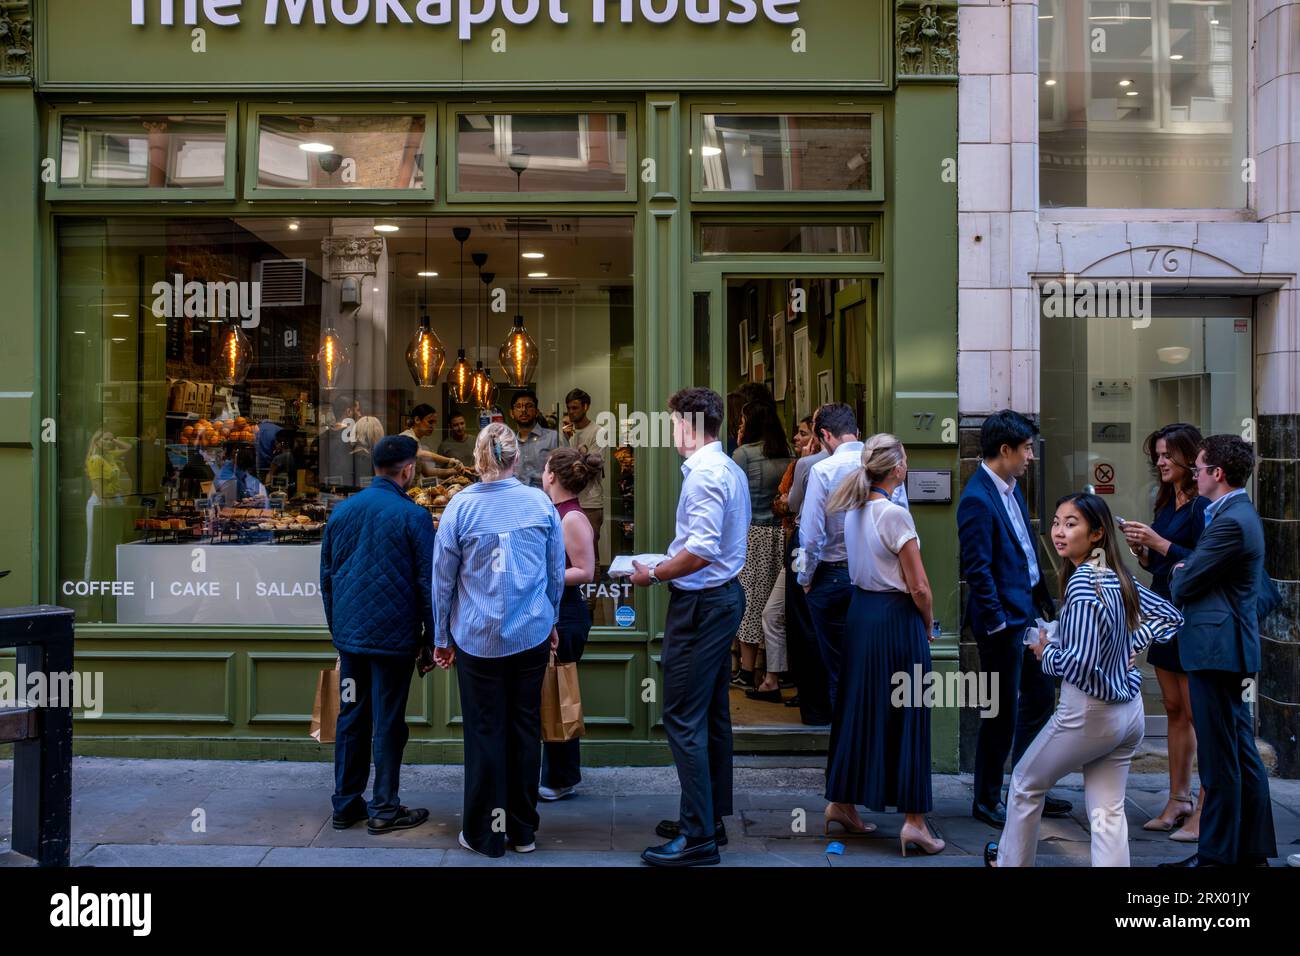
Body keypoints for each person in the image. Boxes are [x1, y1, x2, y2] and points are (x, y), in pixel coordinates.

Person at [986, 493, 1183, 867]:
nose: (1059, 532)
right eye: (1057, 522)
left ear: (1095, 534)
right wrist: (1131, 644)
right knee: (1107, 814)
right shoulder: (1116, 576)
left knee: (1026, 785)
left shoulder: (1081, 584)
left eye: (1071, 524)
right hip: (1129, 714)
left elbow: (1079, 665)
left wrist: (1046, 654)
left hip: (1088, 713)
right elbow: (1171, 616)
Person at [431, 422, 565, 858]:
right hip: (529, 634)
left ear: (477, 458)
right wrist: (552, 619)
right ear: (517, 458)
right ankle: (523, 831)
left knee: (485, 732)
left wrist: (440, 637)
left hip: (477, 638)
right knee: (525, 730)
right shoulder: (540, 503)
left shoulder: (460, 508)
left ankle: (486, 833)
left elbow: (442, 583)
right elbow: (554, 573)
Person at [630, 387, 749, 867]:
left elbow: (700, 552)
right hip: (719, 599)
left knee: (682, 716)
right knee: (712, 713)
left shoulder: (704, 475)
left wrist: (653, 573)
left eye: (673, 422)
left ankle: (699, 836)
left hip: (701, 606)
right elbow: (705, 547)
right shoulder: (727, 468)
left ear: (688, 426)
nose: (670, 431)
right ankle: (709, 817)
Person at [1161, 435, 1279, 868]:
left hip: (1217, 650)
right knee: (1242, 756)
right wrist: (1186, 568)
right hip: (1225, 648)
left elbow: (1186, 582)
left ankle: (1214, 858)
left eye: (1200, 468)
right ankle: (1251, 853)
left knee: (1219, 760)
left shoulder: (1230, 519)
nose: (1195, 475)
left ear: (1218, 474)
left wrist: (1178, 569)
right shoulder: (1233, 513)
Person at [823, 434, 945, 855]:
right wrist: (929, 624)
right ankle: (915, 822)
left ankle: (842, 803)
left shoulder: (855, 510)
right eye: (905, 459)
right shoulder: (895, 515)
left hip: (861, 617)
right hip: (895, 620)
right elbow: (921, 586)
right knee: (910, 713)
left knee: (859, 710)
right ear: (896, 468)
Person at [957, 409, 1071, 828]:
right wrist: (1000, 622)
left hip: (1028, 615)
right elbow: (978, 569)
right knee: (1001, 712)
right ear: (1004, 450)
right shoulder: (976, 498)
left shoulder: (1012, 489)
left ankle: (1028, 787)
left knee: (1041, 698)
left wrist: (1042, 600)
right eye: (1026, 450)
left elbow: (1024, 550)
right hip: (1003, 624)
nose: (1031, 457)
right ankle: (987, 799)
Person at [320, 435, 435, 835]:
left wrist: (340, 632)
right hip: (393, 640)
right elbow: (427, 584)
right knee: (388, 721)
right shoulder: (414, 516)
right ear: (407, 470)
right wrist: (432, 639)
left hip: (353, 639)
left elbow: (327, 577)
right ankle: (384, 808)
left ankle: (346, 804)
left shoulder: (342, 512)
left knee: (351, 717)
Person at [1121, 423, 1208, 840]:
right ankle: (1178, 797)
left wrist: (1157, 542)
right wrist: (1144, 550)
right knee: (1174, 707)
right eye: (1156, 456)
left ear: (1188, 458)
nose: (1159, 463)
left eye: (1165, 456)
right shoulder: (1166, 501)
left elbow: (1202, 562)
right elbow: (1162, 566)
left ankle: (1206, 806)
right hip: (1163, 610)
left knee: (1197, 712)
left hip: (1191, 614)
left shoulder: (1204, 506)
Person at [798, 404, 905, 707]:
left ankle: (845, 749)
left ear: (825, 436)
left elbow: (811, 535)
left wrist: (805, 578)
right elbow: (902, 524)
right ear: (857, 433)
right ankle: (871, 748)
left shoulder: (822, 470)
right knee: (876, 671)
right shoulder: (884, 465)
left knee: (839, 673)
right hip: (879, 581)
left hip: (832, 576)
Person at [538, 446, 604, 801]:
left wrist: (542, 576)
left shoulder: (571, 517)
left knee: (558, 692)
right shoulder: (556, 511)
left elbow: (586, 571)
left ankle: (560, 778)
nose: (542, 473)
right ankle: (554, 775)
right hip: (556, 612)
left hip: (567, 615)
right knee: (550, 693)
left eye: (546, 468)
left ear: (552, 476)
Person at [732, 401, 794, 697]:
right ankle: (774, 668)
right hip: (780, 534)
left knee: (750, 601)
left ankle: (746, 671)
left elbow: (734, 497)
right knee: (775, 604)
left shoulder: (743, 454)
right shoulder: (788, 454)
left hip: (752, 534)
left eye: (743, 420)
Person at [783, 416, 832, 725]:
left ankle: (813, 706)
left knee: (802, 623)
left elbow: (793, 505)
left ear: (819, 433)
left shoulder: (808, 465)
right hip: (842, 555)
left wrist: (803, 577)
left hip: (805, 546)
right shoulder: (863, 460)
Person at [561, 388, 607, 550]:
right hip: (568, 499)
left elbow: (592, 466)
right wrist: (567, 440)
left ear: (586, 407)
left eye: (575, 408)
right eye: (569, 409)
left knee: (590, 551)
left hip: (590, 501)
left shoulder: (598, 432)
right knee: (569, 551)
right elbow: (561, 465)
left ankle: (595, 577)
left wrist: (577, 453)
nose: (571, 412)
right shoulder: (567, 434)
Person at [510, 389, 559, 489]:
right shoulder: (509, 443)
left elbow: (567, 471)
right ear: (512, 413)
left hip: (546, 500)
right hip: (517, 500)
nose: (523, 410)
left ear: (537, 412)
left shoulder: (553, 438)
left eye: (529, 406)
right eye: (518, 406)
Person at [401, 404, 465, 480]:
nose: (433, 426)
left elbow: (427, 472)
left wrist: (455, 470)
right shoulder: (406, 436)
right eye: (430, 422)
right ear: (417, 420)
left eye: (434, 423)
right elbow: (420, 454)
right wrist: (449, 460)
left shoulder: (417, 441)